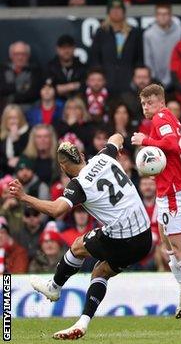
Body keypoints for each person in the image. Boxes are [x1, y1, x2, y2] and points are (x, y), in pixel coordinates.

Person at [9, 135, 152, 339]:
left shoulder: (79, 184)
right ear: (82, 155)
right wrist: (117, 145)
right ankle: (83, 323)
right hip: (145, 237)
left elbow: (56, 210)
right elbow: (117, 137)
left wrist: (24, 197)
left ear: (63, 167)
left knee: (77, 246)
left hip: (123, 237)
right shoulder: (105, 156)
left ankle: (54, 287)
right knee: (100, 272)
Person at [130, 84, 181, 330]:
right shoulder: (163, 118)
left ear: (160, 102)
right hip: (166, 192)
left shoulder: (162, 117)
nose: (146, 107)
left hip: (175, 191)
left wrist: (146, 141)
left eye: (149, 103)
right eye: (143, 104)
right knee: (168, 245)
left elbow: (172, 145)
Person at [89, 0, 143, 95]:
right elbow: (95, 59)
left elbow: (140, 59)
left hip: (129, 85)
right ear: (108, 12)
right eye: (113, 9)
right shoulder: (101, 32)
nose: (116, 12)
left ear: (124, 11)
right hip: (106, 85)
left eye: (119, 9)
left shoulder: (134, 32)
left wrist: (136, 79)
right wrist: (100, 80)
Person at [143, 3, 181, 91]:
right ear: (156, 16)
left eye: (165, 14)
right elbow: (148, 60)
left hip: (177, 79)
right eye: (160, 14)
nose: (162, 17)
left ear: (170, 15)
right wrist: (154, 79)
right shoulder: (148, 34)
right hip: (156, 80)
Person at [45, 34, 86, 100]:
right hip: (56, 103)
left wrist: (62, 88)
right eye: (63, 48)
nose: (66, 51)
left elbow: (84, 87)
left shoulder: (82, 67)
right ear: (57, 49)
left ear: (74, 48)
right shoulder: (50, 67)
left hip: (77, 103)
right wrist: (74, 86)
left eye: (69, 47)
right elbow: (48, 90)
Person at [0, 104, 30, 175]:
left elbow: (28, 156)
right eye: (10, 118)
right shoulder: (2, 134)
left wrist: (15, 141)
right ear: (5, 120)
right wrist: (7, 162)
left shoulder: (28, 133)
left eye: (16, 118)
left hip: (23, 172)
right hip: (4, 173)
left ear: (21, 119)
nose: (13, 121)